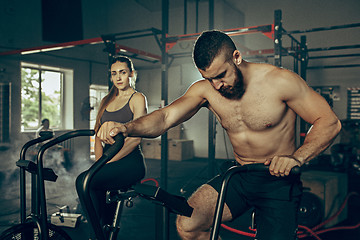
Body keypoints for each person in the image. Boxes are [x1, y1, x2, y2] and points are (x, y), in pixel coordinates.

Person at [97, 31, 341, 240]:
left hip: (278, 180)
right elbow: (164, 118)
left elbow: (329, 122)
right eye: (208, 78)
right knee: (188, 225)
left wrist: (297, 157)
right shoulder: (206, 90)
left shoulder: (280, 81)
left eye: (221, 75)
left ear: (236, 57)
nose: (216, 85)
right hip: (240, 175)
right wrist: (127, 127)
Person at [76, 56, 148, 237]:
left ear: (131, 74)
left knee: (85, 181)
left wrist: (106, 163)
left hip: (130, 161)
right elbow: (98, 137)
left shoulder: (137, 98)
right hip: (107, 160)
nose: (118, 77)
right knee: (88, 182)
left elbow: (136, 139)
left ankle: (96, 233)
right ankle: (101, 228)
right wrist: (99, 163)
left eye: (122, 72)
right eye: (114, 74)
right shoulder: (106, 100)